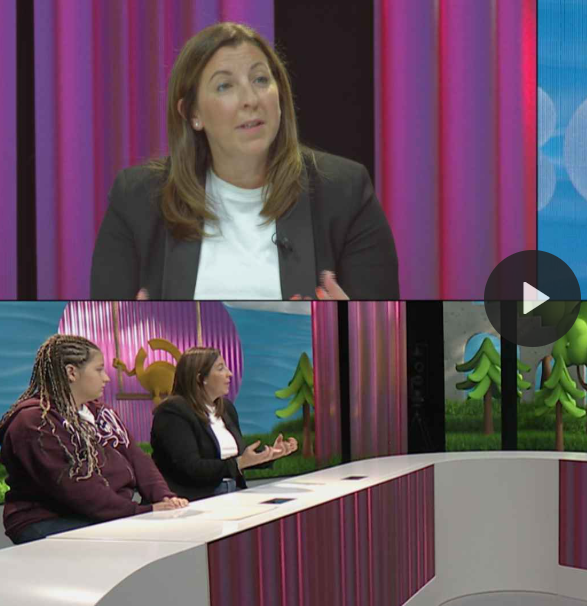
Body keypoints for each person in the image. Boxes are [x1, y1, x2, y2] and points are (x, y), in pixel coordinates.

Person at [90, 22, 398, 300]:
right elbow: (100, 329)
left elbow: (386, 331)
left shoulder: (344, 193)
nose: (251, 99)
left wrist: (348, 325)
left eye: (261, 79)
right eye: (225, 86)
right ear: (192, 113)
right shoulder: (138, 199)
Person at [0, 335, 187, 544]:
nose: (106, 378)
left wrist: (164, 497)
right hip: (48, 519)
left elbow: (136, 457)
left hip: (104, 513)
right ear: (72, 372)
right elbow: (74, 487)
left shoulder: (101, 412)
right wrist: (139, 511)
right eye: (99, 370)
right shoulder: (35, 421)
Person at [150, 347, 298, 501]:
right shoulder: (173, 412)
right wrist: (238, 463)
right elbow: (191, 467)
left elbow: (238, 457)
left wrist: (269, 454)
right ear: (201, 378)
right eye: (221, 368)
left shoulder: (226, 408)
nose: (229, 374)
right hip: (195, 499)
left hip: (234, 492)